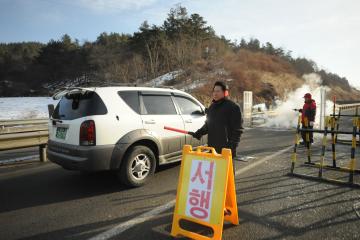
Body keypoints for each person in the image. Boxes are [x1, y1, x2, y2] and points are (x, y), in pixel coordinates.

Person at [188, 81, 243, 159]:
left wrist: (231, 147)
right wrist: (199, 133)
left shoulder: (233, 107)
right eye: (214, 91)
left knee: (226, 171)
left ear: (225, 92)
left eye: (218, 91)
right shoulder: (212, 107)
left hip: (226, 150)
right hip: (212, 149)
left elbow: (238, 130)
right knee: (214, 171)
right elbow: (208, 125)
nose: (215, 93)